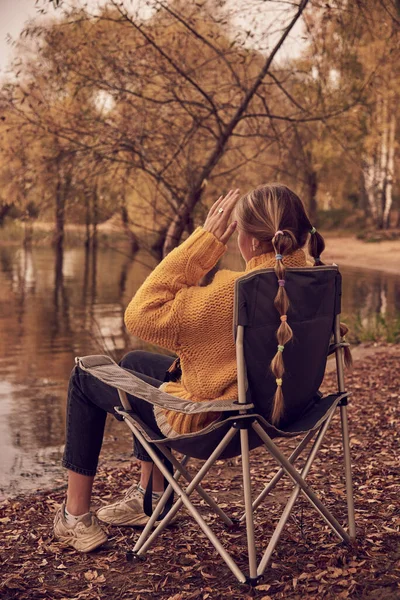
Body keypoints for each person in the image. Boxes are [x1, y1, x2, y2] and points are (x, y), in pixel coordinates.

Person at [54, 183, 326, 552]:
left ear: (255, 242)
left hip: (216, 424)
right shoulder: (316, 280)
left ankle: (74, 517)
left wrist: (205, 241)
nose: (235, 238)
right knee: (134, 362)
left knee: (85, 376)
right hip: (284, 412)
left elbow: (140, 314)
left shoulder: (234, 291)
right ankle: (151, 497)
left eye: (239, 231)